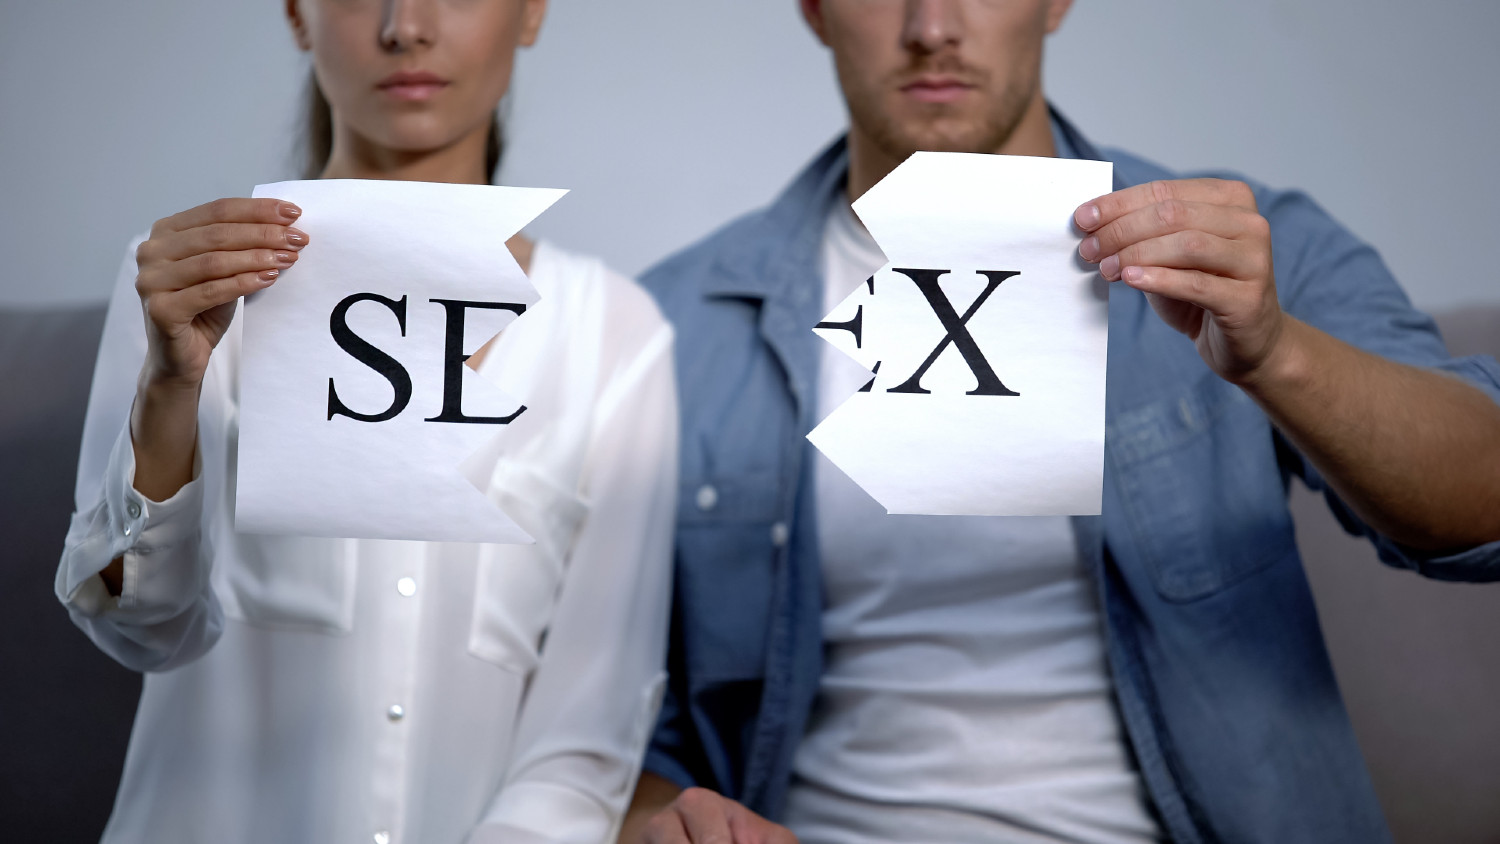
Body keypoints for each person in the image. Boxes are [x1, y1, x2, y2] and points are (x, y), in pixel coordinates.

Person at [623, 1, 1500, 842]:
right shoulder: (670, 324)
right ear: (813, 7)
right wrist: (667, 820)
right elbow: (621, 738)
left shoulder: (1253, 249)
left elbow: (1483, 504)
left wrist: (1277, 355)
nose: (933, 28)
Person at [55, 1, 677, 842]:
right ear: (297, 15)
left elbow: (585, 742)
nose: (405, 26)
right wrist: (170, 388)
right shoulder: (180, 289)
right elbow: (141, 630)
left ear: (530, 12)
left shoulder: (617, 334)